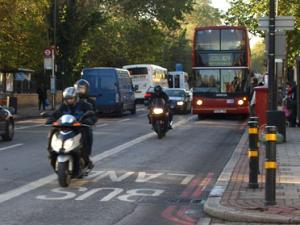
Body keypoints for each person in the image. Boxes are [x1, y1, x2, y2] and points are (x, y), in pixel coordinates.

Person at [47, 87, 97, 168]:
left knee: (87, 131)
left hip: (79, 127)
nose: (69, 100)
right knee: (53, 129)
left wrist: (90, 120)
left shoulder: (84, 105)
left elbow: (92, 114)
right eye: (67, 99)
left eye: (71, 98)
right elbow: (56, 114)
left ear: (76, 97)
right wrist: (50, 119)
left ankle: (86, 156)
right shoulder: (63, 106)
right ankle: (51, 151)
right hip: (65, 127)